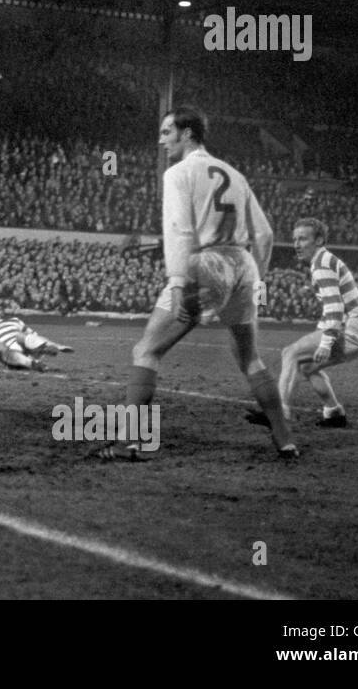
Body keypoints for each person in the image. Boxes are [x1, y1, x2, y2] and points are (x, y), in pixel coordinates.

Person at [110, 106, 297, 461]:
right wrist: (258, 278)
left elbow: (179, 229)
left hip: (205, 264)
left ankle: (130, 439)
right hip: (243, 265)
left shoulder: (179, 173)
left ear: (187, 133)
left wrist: (178, 282)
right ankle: (285, 438)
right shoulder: (234, 174)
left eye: (167, 132)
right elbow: (266, 234)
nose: (161, 140)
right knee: (250, 359)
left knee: (147, 351)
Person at [248, 218, 358, 429]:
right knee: (306, 366)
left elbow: (335, 307)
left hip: (352, 330)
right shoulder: (324, 260)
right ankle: (334, 413)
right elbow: (334, 307)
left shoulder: (321, 263)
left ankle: (279, 413)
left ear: (319, 240)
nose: (296, 244)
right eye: (294, 239)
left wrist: (325, 343)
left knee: (290, 353)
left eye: (303, 239)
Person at [0, 302, 74, 372]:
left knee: (20, 335)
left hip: (28, 351)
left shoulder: (14, 320)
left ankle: (51, 348)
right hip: (9, 359)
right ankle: (33, 363)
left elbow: (34, 336)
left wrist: (51, 344)